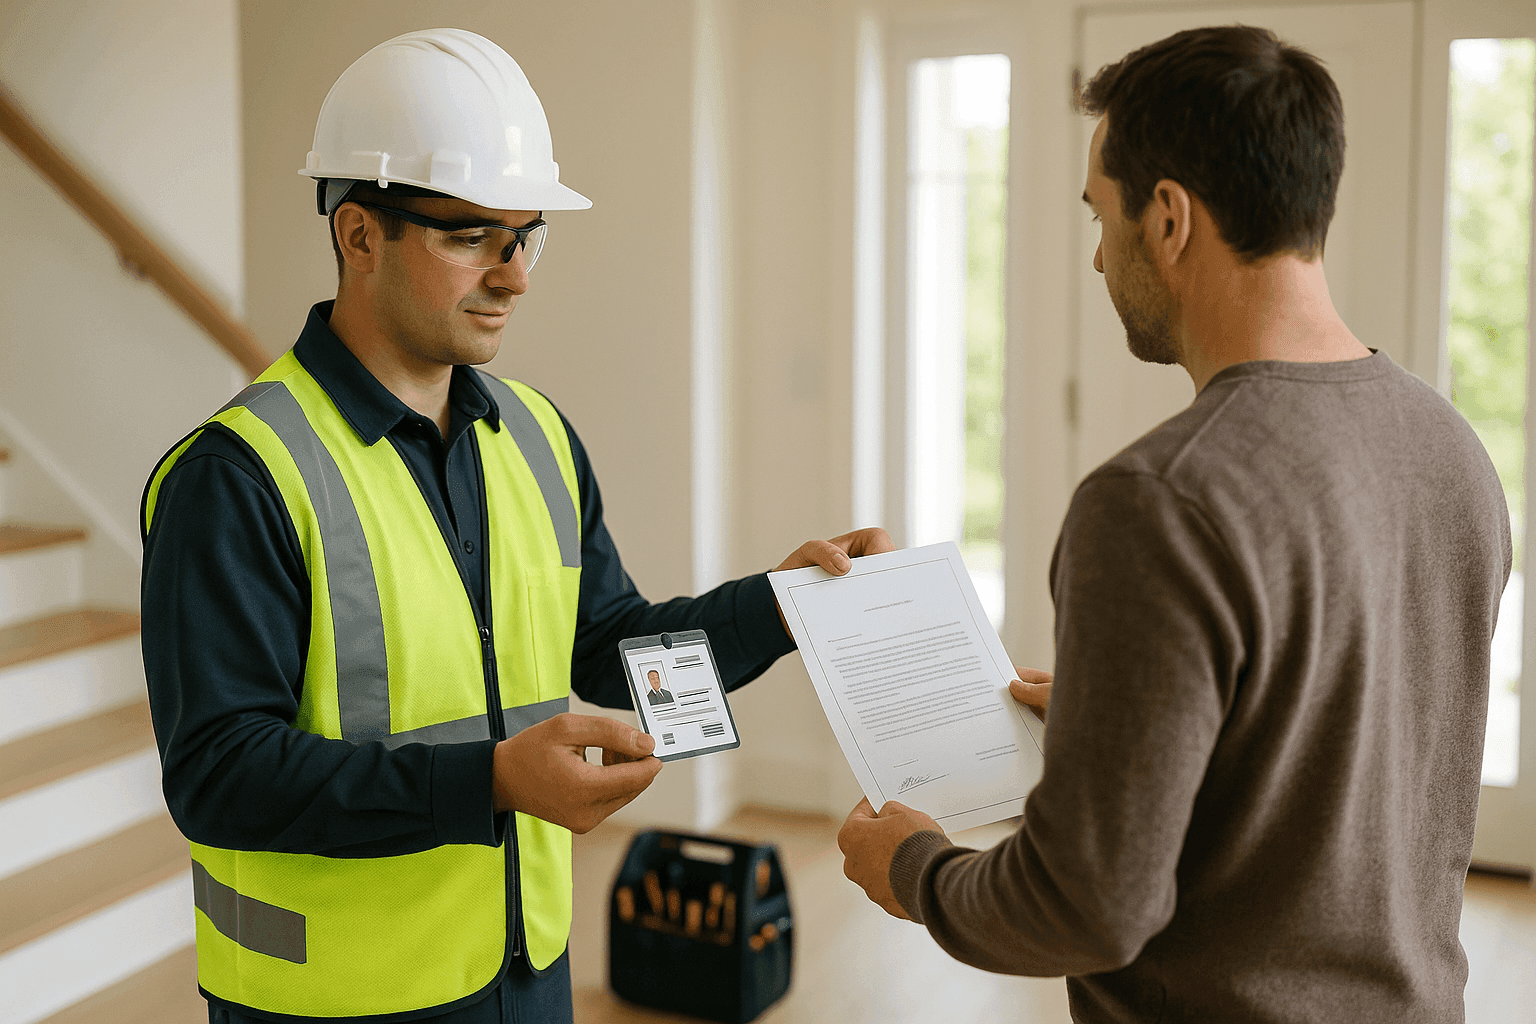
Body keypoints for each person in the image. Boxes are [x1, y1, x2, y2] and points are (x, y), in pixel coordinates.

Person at [140, 29, 890, 1024]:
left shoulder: (535, 438)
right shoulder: (237, 477)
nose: (516, 275)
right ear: (359, 234)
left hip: (524, 969)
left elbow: (608, 651)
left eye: (527, 235)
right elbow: (220, 775)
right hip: (341, 1001)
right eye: (469, 236)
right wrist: (489, 780)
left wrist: (783, 609)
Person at [838, 24, 1510, 1023]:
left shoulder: (1156, 498)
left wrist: (917, 870)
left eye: (1099, 215)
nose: (1099, 258)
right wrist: (1142, 726)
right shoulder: (1451, 447)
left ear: (1167, 217)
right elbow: (1347, 745)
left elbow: (1086, 905)